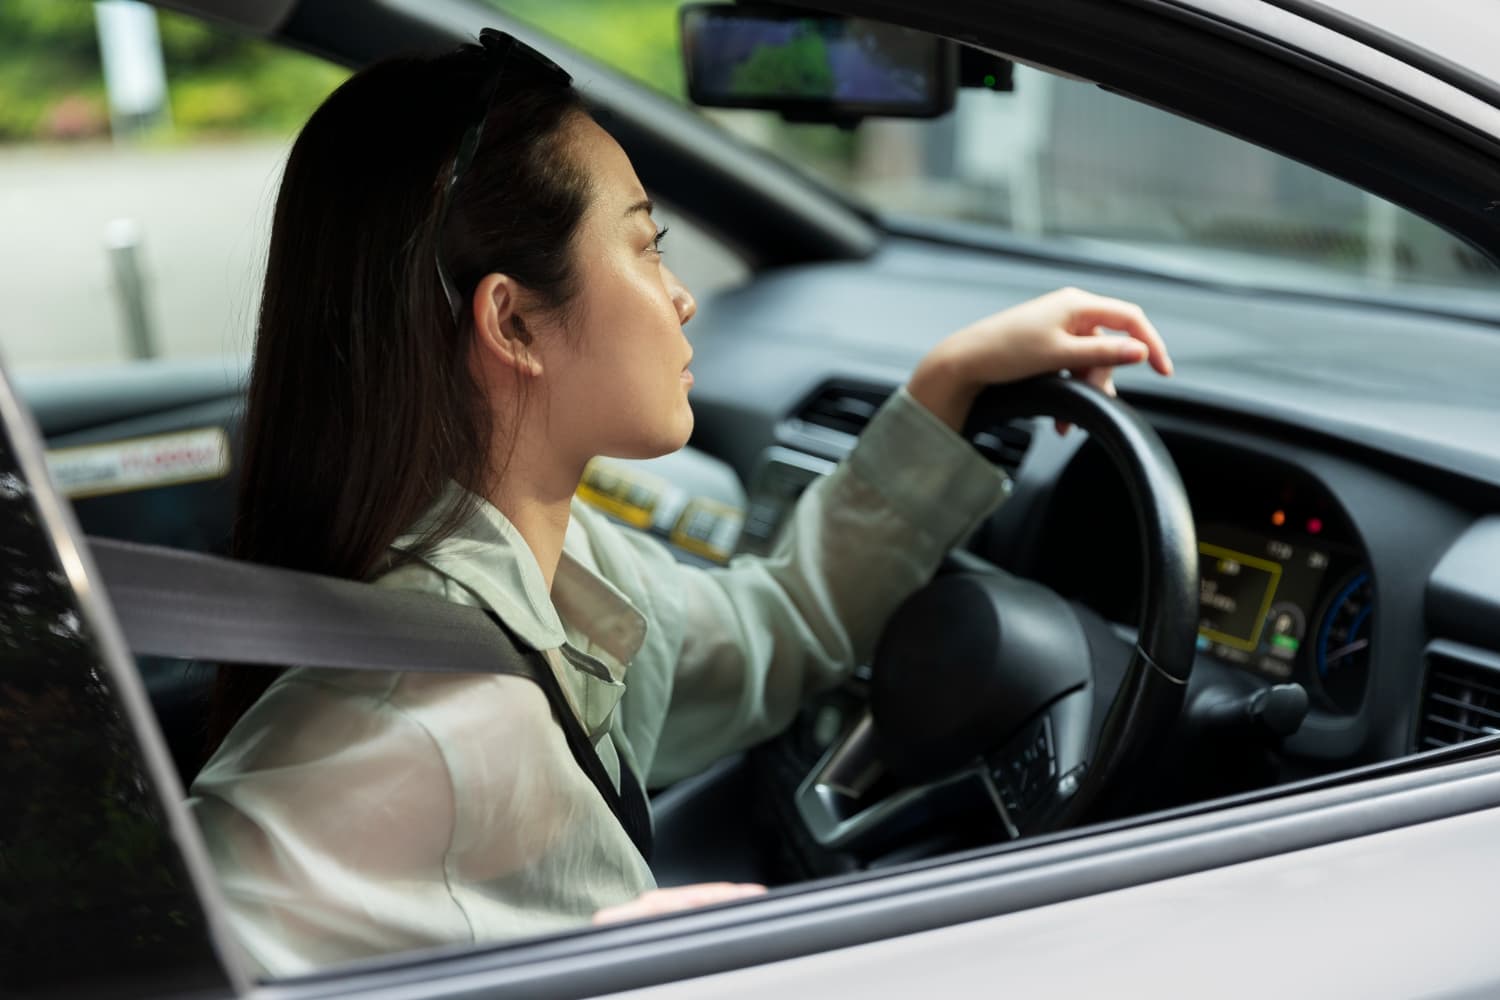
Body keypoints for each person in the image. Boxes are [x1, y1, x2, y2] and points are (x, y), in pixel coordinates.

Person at [187, 30, 1173, 977]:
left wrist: (945, 386)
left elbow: (773, 629)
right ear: (514, 321)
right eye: (647, 246)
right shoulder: (424, 721)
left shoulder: (563, 571)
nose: (682, 295)